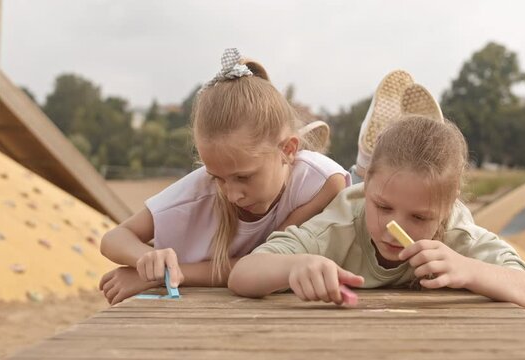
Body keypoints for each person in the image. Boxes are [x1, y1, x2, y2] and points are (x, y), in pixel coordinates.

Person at [228, 115, 525, 316]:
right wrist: (295, 266)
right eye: (382, 207)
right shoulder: (339, 224)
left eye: (420, 217)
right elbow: (243, 274)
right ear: (366, 187)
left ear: (447, 208)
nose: (395, 228)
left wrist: (469, 269)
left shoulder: (456, 232)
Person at [99, 48, 350, 305]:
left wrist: (169, 275)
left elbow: (264, 261)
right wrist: (146, 259)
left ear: (287, 149)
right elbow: (114, 238)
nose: (231, 194)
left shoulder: (322, 182)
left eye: (243, 177)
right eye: (217, 177)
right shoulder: (198, 190)